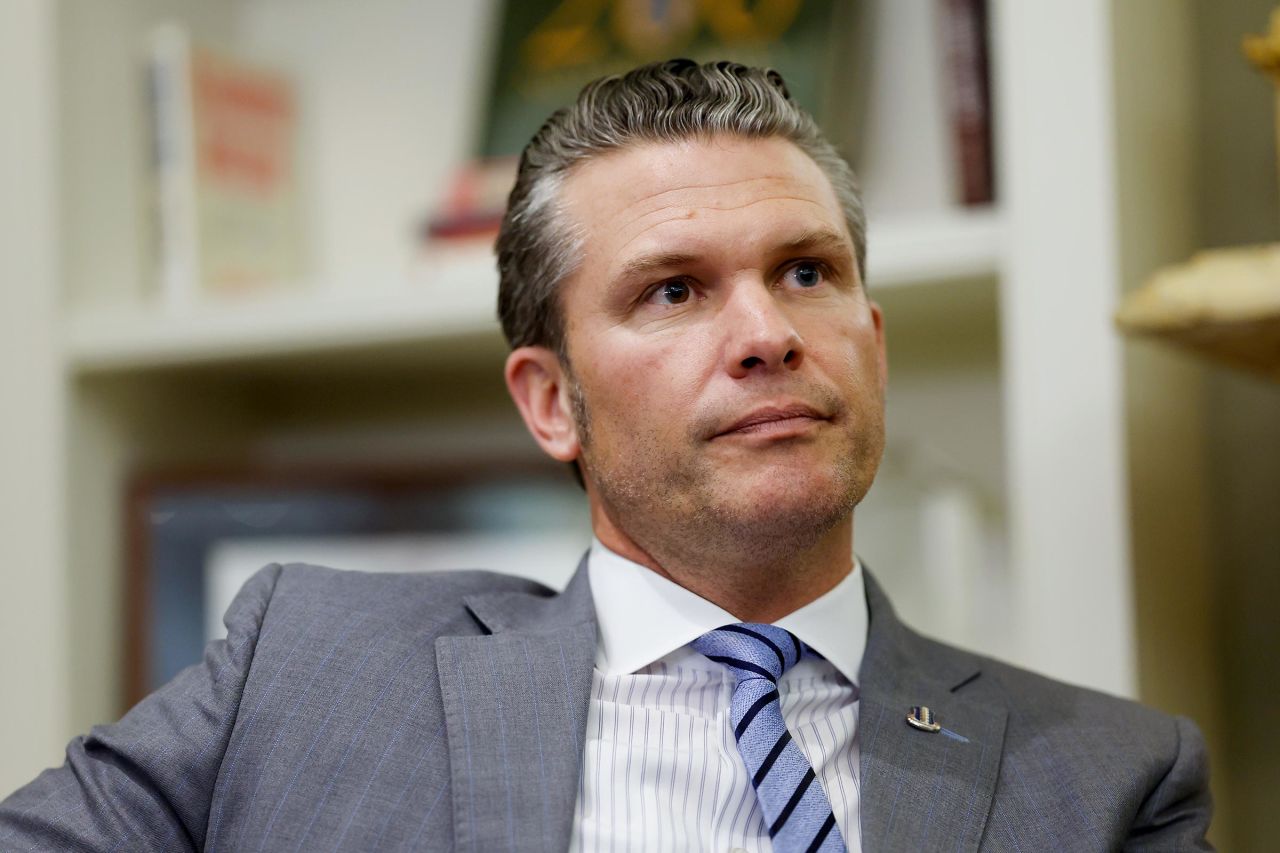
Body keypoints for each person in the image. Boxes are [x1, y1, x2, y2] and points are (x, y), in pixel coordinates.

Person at [0, 59, 1211, 852]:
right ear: (551, 402)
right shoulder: (305, 670)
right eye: (674, 290)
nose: (767, 336)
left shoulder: (1108, 781)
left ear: (871, 344)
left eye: (806, 271)